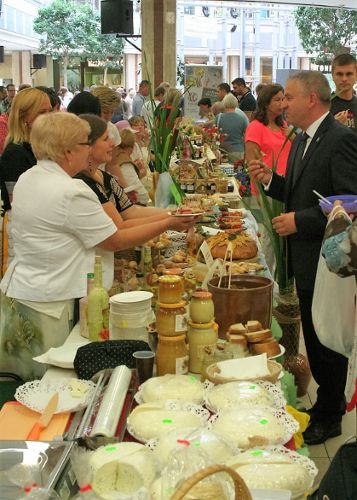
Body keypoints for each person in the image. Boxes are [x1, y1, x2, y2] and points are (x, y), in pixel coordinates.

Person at [0, 112, 196, 381]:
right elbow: (114, 239)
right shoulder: (71, 191)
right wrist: (169, 223)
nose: (89, 150)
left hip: (23, 292)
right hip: (52, 302)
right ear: (67, 151)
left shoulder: (29, 177)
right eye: (84, 144)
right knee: (51, 381)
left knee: (27, 380)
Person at [249, 70, 357, 445]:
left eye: (289, 98)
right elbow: (297, 190)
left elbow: (350, 201)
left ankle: (332, 414)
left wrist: (300, 220)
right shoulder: (299, 140)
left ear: (311, 99)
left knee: (327, 336)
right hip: (303, 256)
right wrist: (268, 180)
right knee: (313, 333)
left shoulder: (340, 139)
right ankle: (324, 405)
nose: (283, 104)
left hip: (326, 263)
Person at [0, 88, 52, 274]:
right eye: (42, 112)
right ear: (24, 118)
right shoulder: (15, 153)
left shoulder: (39, 149)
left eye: (50, 111)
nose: (49, 117)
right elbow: (17, 204)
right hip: (26, 242)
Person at [245, 83, 294, 194]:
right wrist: (258, 194)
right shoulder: (256, 127)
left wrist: (294, 137)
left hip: (285, 184)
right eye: (277, 100)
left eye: (283, 99)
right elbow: (252, 163)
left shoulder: (283, 125)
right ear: (266, 103)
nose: (282, 104)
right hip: (265, 186)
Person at [216, 93, 248, 162]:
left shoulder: (219, 117)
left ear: (224, 103)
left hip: (222, 151)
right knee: (238, 172)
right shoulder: (242, 118)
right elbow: (246, 137)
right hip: (238, 151)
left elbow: (214, 134)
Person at [330, 52, 357, 133]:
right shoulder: (323, 107)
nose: (344, 79)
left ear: (356, 76)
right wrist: (332, 127)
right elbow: (311, 142)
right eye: (339, 74)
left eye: (349, 74)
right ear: (332, 76)